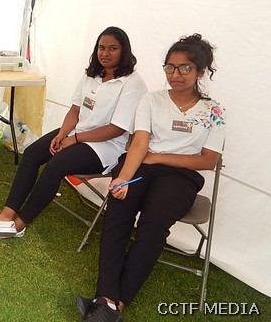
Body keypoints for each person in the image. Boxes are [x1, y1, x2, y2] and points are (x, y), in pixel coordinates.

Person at [76, 34, 226, 322]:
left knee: (153, 223)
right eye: (170, 67)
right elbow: (140, 143)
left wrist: (159, 157)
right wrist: (123, 178)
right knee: (118, 211)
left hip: (181, 176)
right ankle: (106, 299)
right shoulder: (152, 100)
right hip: (140, 165)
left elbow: (208, 160)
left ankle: (116, 304)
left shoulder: (214, 111)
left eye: (185, 68)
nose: (175, 74)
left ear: (200, 71)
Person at [0, 27, 147, 239]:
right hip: (78, 134)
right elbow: (75, 110)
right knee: (33, 153)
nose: (105, 53)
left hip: (106, 147)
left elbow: (116, 128)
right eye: (101, 48)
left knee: (56, 165)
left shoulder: (132, 83)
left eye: (113, 48)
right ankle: (5, 216)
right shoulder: (92, 74)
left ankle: (19, 224)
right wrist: (62, 134)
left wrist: (75, 139)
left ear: (124, 50)